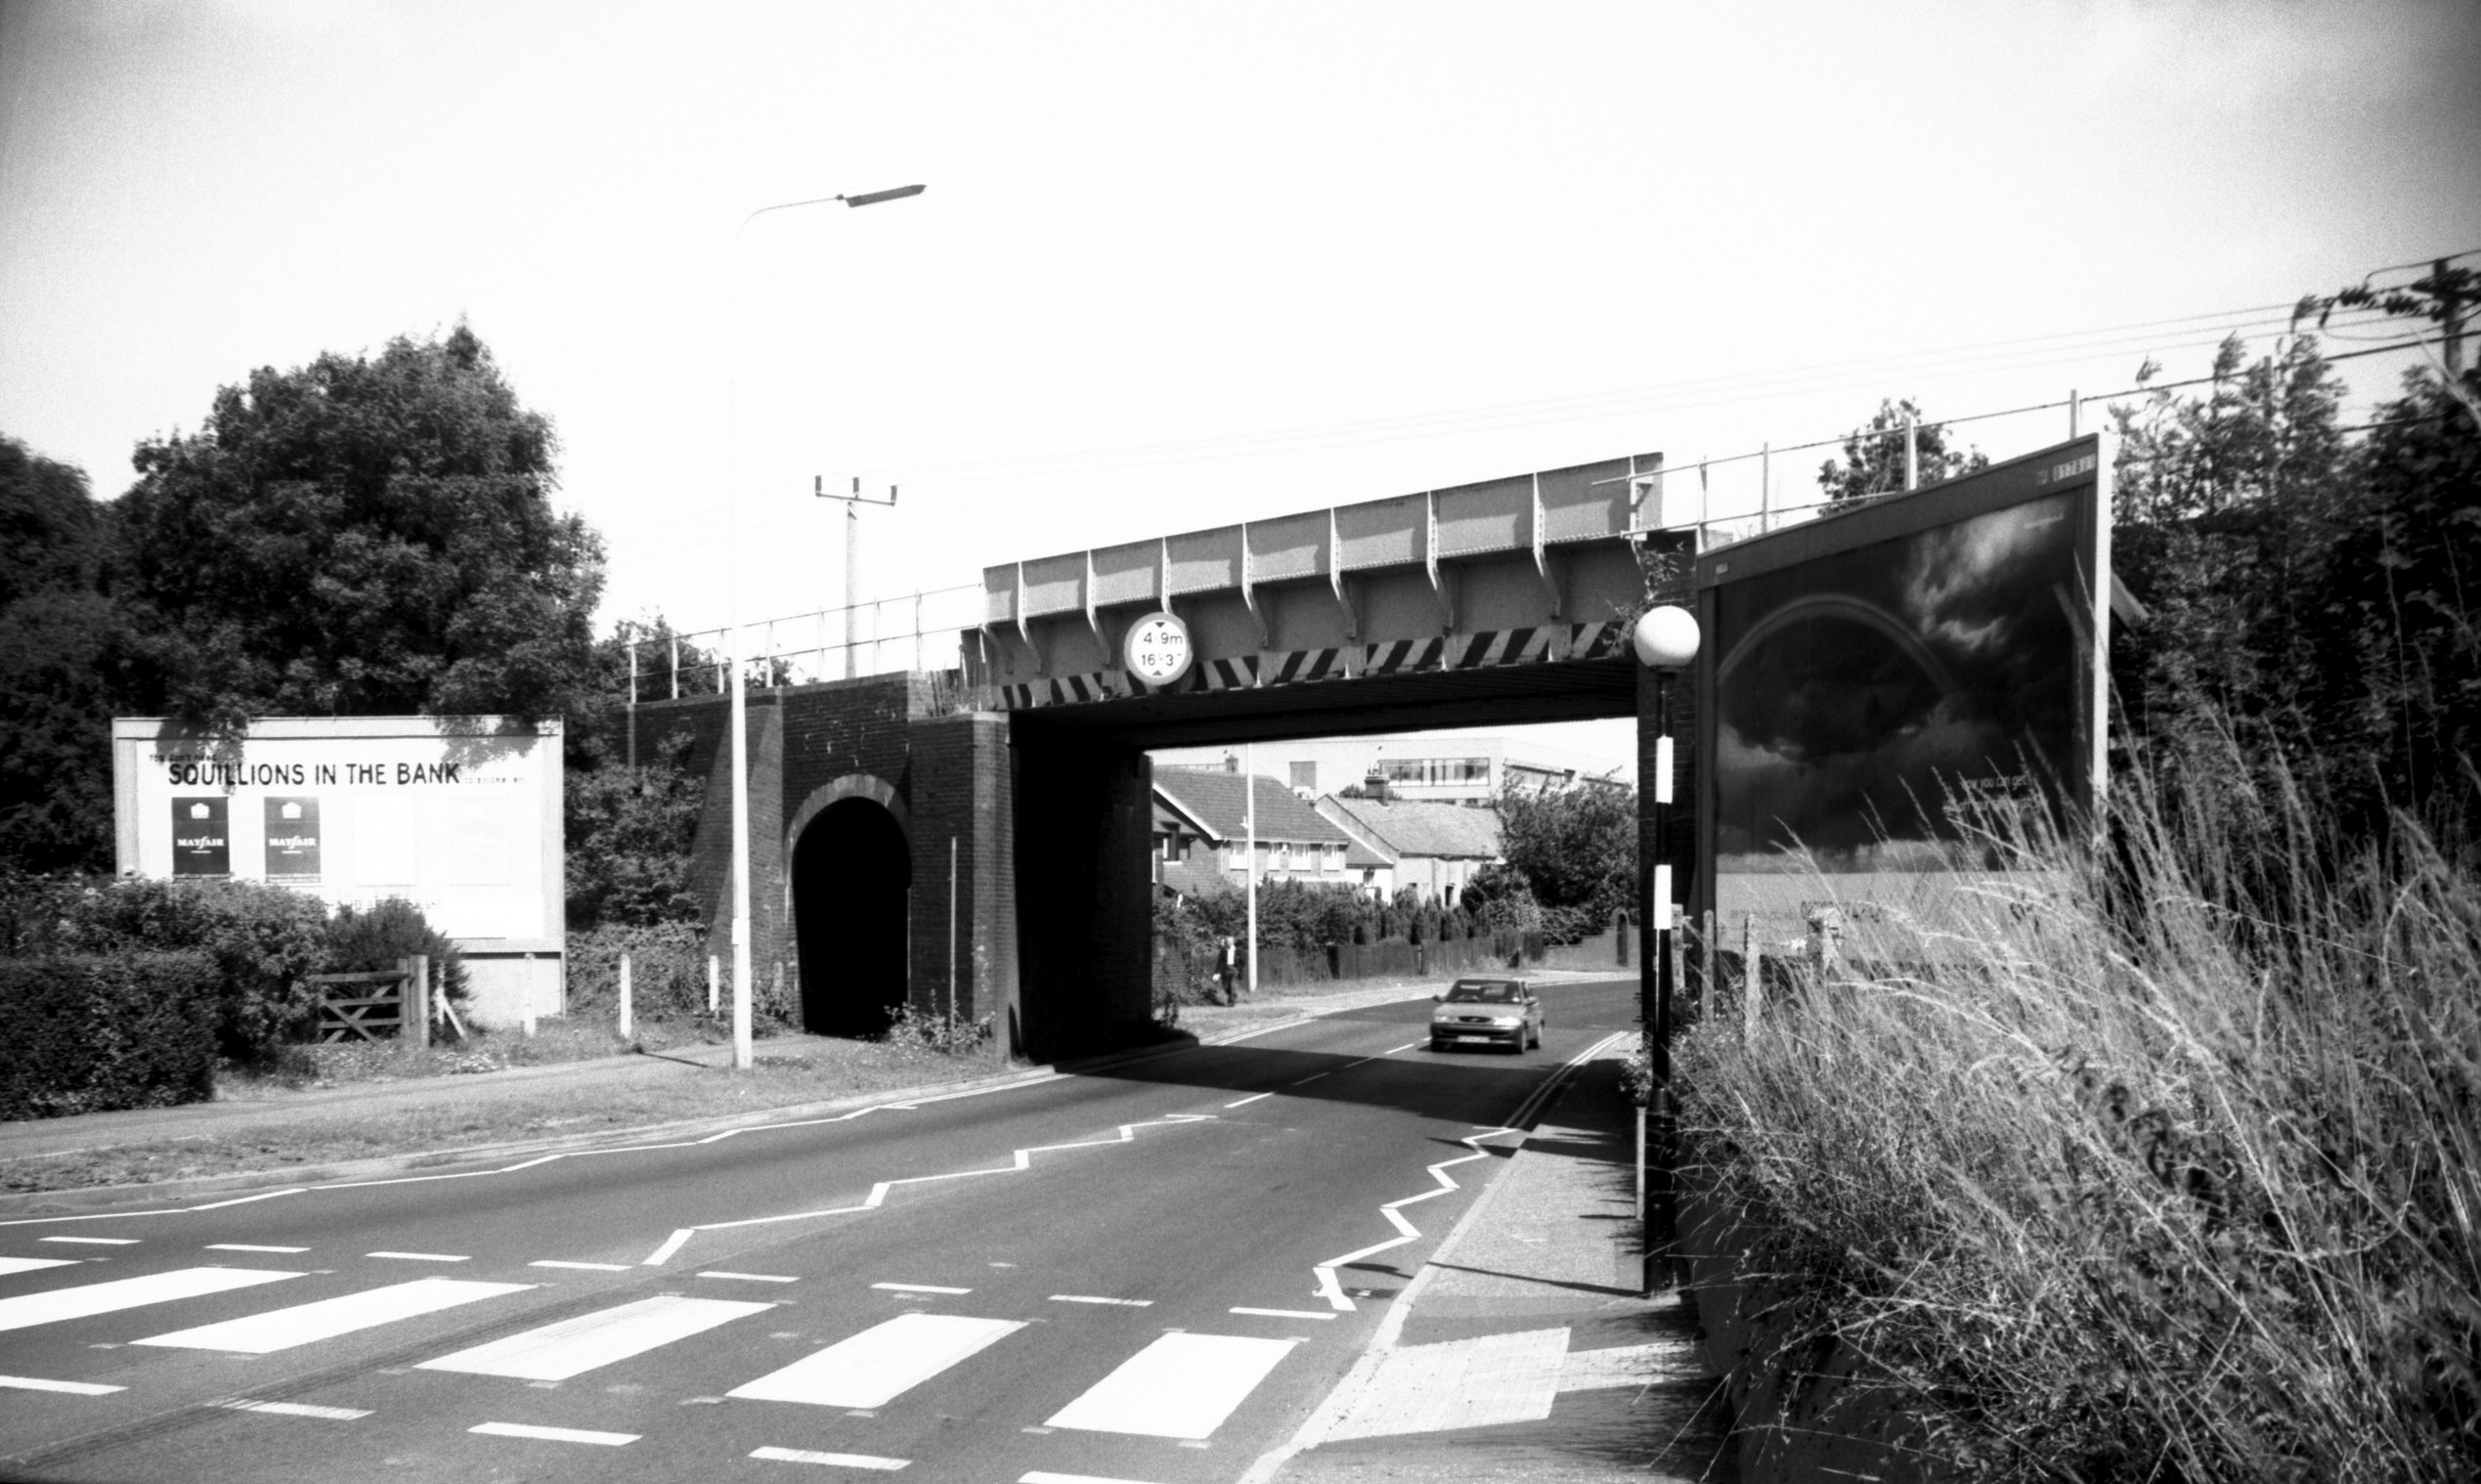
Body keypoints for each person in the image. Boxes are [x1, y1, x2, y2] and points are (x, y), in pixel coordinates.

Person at [1217, 935, 1239, 1004]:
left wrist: (1238, 969)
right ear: (1226, 942)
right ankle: (1233, 995)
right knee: (1225, 986)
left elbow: (1242, 961)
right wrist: (1217, 972)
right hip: (1225, 969)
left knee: (1232, 985)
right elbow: (1220, 961)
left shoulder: (1237, 950)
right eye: (1228, 941)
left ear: (1233, 942)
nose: (1229, 942)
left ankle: (1231, 1002)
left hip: (1233, 968)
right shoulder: (1223, 950)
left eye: (1231, 941)